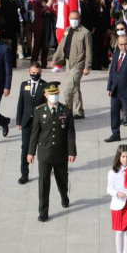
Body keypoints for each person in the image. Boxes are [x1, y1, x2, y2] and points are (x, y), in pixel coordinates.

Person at [27, 81, 76, 222]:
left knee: (62, 180)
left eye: (56, 94)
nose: (54, 97)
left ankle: (64, 196)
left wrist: (72, 152)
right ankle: (43, 212)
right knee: (43, 183)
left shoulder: (66, 111)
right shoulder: (39, 110)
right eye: (51, 94)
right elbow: (35, 133)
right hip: (44, 153)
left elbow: (70, 133)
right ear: (45, 95)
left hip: (60, 152)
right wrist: (31, 152)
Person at [52, 10, 91, 119]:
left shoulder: (85, 32)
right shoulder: (67, 30)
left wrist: (87, 67)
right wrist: (55, 59)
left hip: (78, 64)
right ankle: (79, 111)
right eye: (72, 18)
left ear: (80, 19)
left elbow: (88, 51)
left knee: (68, 89)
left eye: (76, 18)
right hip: (68, 63)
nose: (74, 21)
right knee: (75, 88)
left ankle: (67, 112)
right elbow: (61, 46)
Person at [16, 63, 47, 184]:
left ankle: (45, 170)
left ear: (41, 72)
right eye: (33, 73)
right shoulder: (24, 85)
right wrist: (19, 120)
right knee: (25, 147)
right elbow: (21, 103)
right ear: (29, 72)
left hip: (40, 122)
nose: (35, 75)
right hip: (26, 121)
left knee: (43, 148)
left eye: (37, 73)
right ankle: (24, 174)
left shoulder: (45, 85)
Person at [0, 0, 20, 69]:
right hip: (7, 28)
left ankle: (12, 64)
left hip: (13, 28)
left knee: (13, 47)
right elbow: (6, 15)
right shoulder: (3, 0)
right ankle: (8, 64)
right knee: (8, 47)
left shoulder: (12, 0)